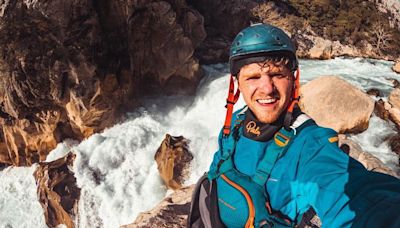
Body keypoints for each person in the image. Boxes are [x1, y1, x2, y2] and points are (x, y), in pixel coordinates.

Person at [187, 23, 400, 228]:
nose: (267, 89)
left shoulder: (311, 145)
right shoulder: (235, 123)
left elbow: (354, 193)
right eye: (253, 77)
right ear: (237, 84)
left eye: (277, 75)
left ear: (293, 79)